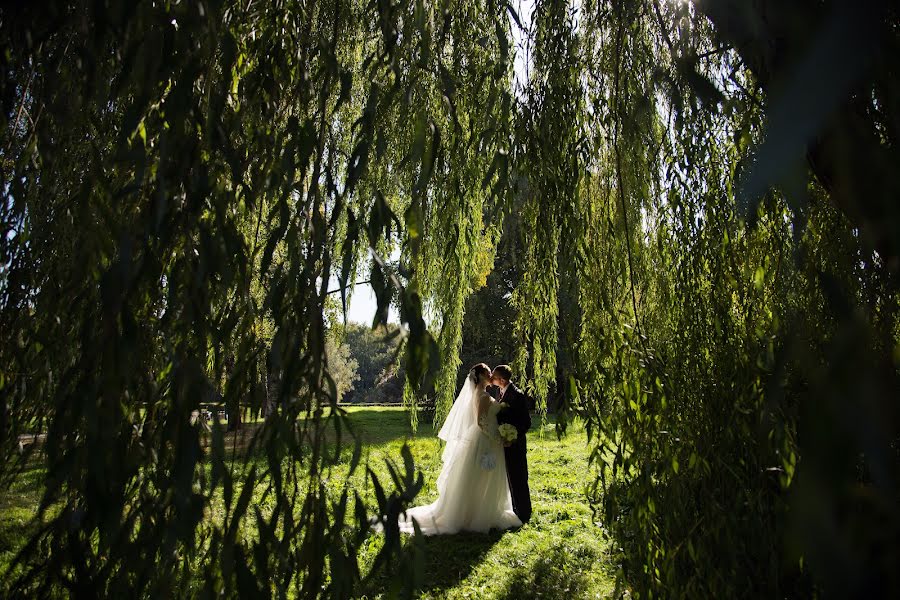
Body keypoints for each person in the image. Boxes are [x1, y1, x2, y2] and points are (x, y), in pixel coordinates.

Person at [396, 363, 522, 535]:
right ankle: (478, 515)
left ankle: (479, 511)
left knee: (479, 477)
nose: (491, 374)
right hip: (485, 439)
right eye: (488, 372)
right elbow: (481, 422)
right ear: (482, 376)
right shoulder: (483, 396)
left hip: (484, 438)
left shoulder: (480, 394)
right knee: (482, 477)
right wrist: (497, 437)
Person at [491, 364, 533, 523]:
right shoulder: (499, 391)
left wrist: (513, 437)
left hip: (515, 444)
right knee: (509, 478)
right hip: (504, 443)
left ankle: (524, 513)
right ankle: (514, 509)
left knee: (519, 477)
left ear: (501, 379)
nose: (491, 379)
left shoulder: (517, 395)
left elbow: (526, 422)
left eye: (493, 377)